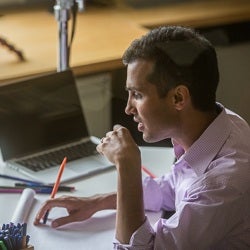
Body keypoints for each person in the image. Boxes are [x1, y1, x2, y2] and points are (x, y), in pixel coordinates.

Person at [34, 26, 250, 249]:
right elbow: (173, 188)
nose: (128, 108)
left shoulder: (222, 184)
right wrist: (98, 202)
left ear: (178, 98)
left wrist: (127, 166)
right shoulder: (222, 125)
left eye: (137, 94)